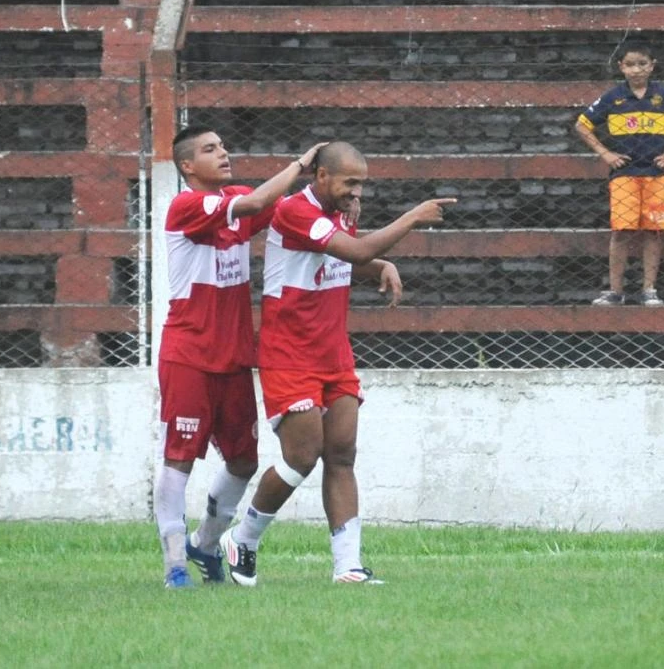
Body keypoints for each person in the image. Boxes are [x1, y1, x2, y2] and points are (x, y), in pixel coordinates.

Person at [219, 141, 454, 586]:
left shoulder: (342, 213)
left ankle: (348, 567)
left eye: (362, 182)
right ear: (321, 177)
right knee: (301, 457)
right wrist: (410, 220)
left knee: (342, 454)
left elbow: (345, 256)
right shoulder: (294, 211)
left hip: (333, 351)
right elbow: (355, 252)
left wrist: (378, 264)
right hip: (289, 353)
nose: (356, 191)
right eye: (349, 182)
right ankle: (243, 538)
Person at [154, 125, 328, 588]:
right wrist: (299, 165)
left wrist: (328, 193)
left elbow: (276, 209)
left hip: (233, 359)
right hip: (188, 355)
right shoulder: (187, 205)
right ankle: (174, 562)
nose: (223, 153)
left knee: (243, 462)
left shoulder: (232, 201)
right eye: (210, 150)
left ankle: (206, 544)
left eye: (224, 146)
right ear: (188, 165)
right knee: (179, 458)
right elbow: (255, 203)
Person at [575, 40, 664, 307]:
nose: (636, 70)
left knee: (653, 231)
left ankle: (649, 290)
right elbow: (582, 126)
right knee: (621, 231)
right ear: (621, 67)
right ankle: (615, 291)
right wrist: (605, 153)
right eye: (630, 64)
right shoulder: (613, 97)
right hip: (624, 174)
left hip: (658, 174)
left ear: (652, 66)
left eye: (642, 64)